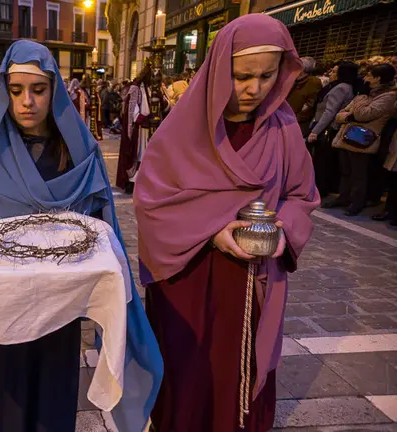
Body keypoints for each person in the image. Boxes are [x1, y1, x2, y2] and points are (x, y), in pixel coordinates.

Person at [0, 39, 161, 432]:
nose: (27, 101)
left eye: (38, 90)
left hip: (59, 310)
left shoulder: (77, 153)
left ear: (54, 90)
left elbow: (100, 225)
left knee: (53, 402)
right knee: (4, 404)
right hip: (1, 313)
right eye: (17, 90)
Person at [134, 14, 319, 431]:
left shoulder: (284, 128)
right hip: (190, 278)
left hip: (254, 279)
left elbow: (301, 196)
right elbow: (151, 203)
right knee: (190, 372)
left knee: (242, 371)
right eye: (241, 76)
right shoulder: (183, 128)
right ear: (219, 69)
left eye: (267, 75)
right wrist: (214, 232)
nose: (255, 89)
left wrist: (281, 234)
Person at [325, 63, 397, 216]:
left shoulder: (388, 96)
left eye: (369, 75)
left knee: (358, 174)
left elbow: (364, 114)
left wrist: (360, 101)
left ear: (378, 78)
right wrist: (349, 115)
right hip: (347, 135)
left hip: (363, 139)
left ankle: (356, 202)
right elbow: (340, 114)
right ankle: (343, 197)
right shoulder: (366, 93)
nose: (365, 78)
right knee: (345, 171)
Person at [308, 61, 358, 198]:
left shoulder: (341, 88)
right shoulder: (339, 86)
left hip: (327, 129)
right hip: (326, 127)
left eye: (335, 71)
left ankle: (319, 191)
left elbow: (330, 112)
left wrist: (315, 131)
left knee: (322, 162)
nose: (331, 73)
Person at [116, 69, 151, 193]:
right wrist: (145, 117)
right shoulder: (136, 89)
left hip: (144, 128)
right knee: (136, 154)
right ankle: (132, 182)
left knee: (143, 154)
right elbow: (133, 112)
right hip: (137, 129)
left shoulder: (144, 88)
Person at [286, 57, 323, 137]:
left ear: (301, 68)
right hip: (285, 119)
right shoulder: (293, 80)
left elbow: (310, 105)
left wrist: (295, 118)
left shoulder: (313, 82)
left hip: (298, 123)